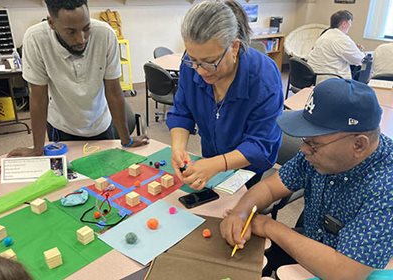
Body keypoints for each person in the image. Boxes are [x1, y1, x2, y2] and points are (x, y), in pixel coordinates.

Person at [220, 79, 393, 279]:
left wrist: (268, 226)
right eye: (305, 140)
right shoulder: (315, 155)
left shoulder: (386, 186)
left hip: (350, 267)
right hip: (308, 244)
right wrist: (240, 213)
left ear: (359, 145)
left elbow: (345, 272)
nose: (303, 149)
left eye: (313, 143)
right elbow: (269, 188)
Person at [166, 0, 283, 190]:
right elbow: (182, 112)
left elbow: (261, 144)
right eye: (194, 60)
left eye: (210, 61)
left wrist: (218, 164)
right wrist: (178, 148)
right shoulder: (192, 65)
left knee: (235, 211)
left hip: (247, 169)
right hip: (210, 156)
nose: (201, 71)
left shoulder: (264, 78)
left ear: (234, 47)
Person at [8, 0, 148, 157]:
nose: (81, 39)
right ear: (52, 23)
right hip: (61, 127)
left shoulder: (105, 34)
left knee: (107, 174)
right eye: (71, 32)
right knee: (67, 177)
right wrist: (37, 149)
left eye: (86, 28)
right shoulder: (35, 39)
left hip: (100, 123)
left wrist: (126, 140)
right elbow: (38, 99)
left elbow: (114, 92)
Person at [307, 10, 365, 83]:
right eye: (350, 23)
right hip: (330, 79)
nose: (350, 25)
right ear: (344, 24)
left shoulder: (326, 34)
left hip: (314, 75)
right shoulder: (341, 38)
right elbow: (359, 59)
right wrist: (362, 53)